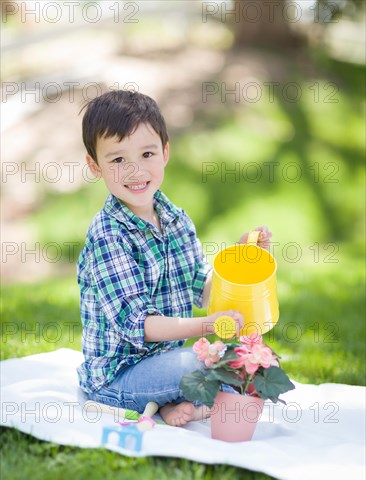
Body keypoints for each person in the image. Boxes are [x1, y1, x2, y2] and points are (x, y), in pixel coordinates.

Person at [77, 90, 272, 426]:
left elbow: (203, 290)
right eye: (118, 160)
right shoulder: (108, 236)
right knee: (199, 364)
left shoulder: (176, 220)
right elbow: (141, 326)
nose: (135, 170)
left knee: (248, 361)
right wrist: (207, 327)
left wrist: (241, 265)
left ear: (165, 153)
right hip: (118, 376)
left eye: (147, 153)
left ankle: (168, 405)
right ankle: (173, 398)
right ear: (95, 166)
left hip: (164, 364)